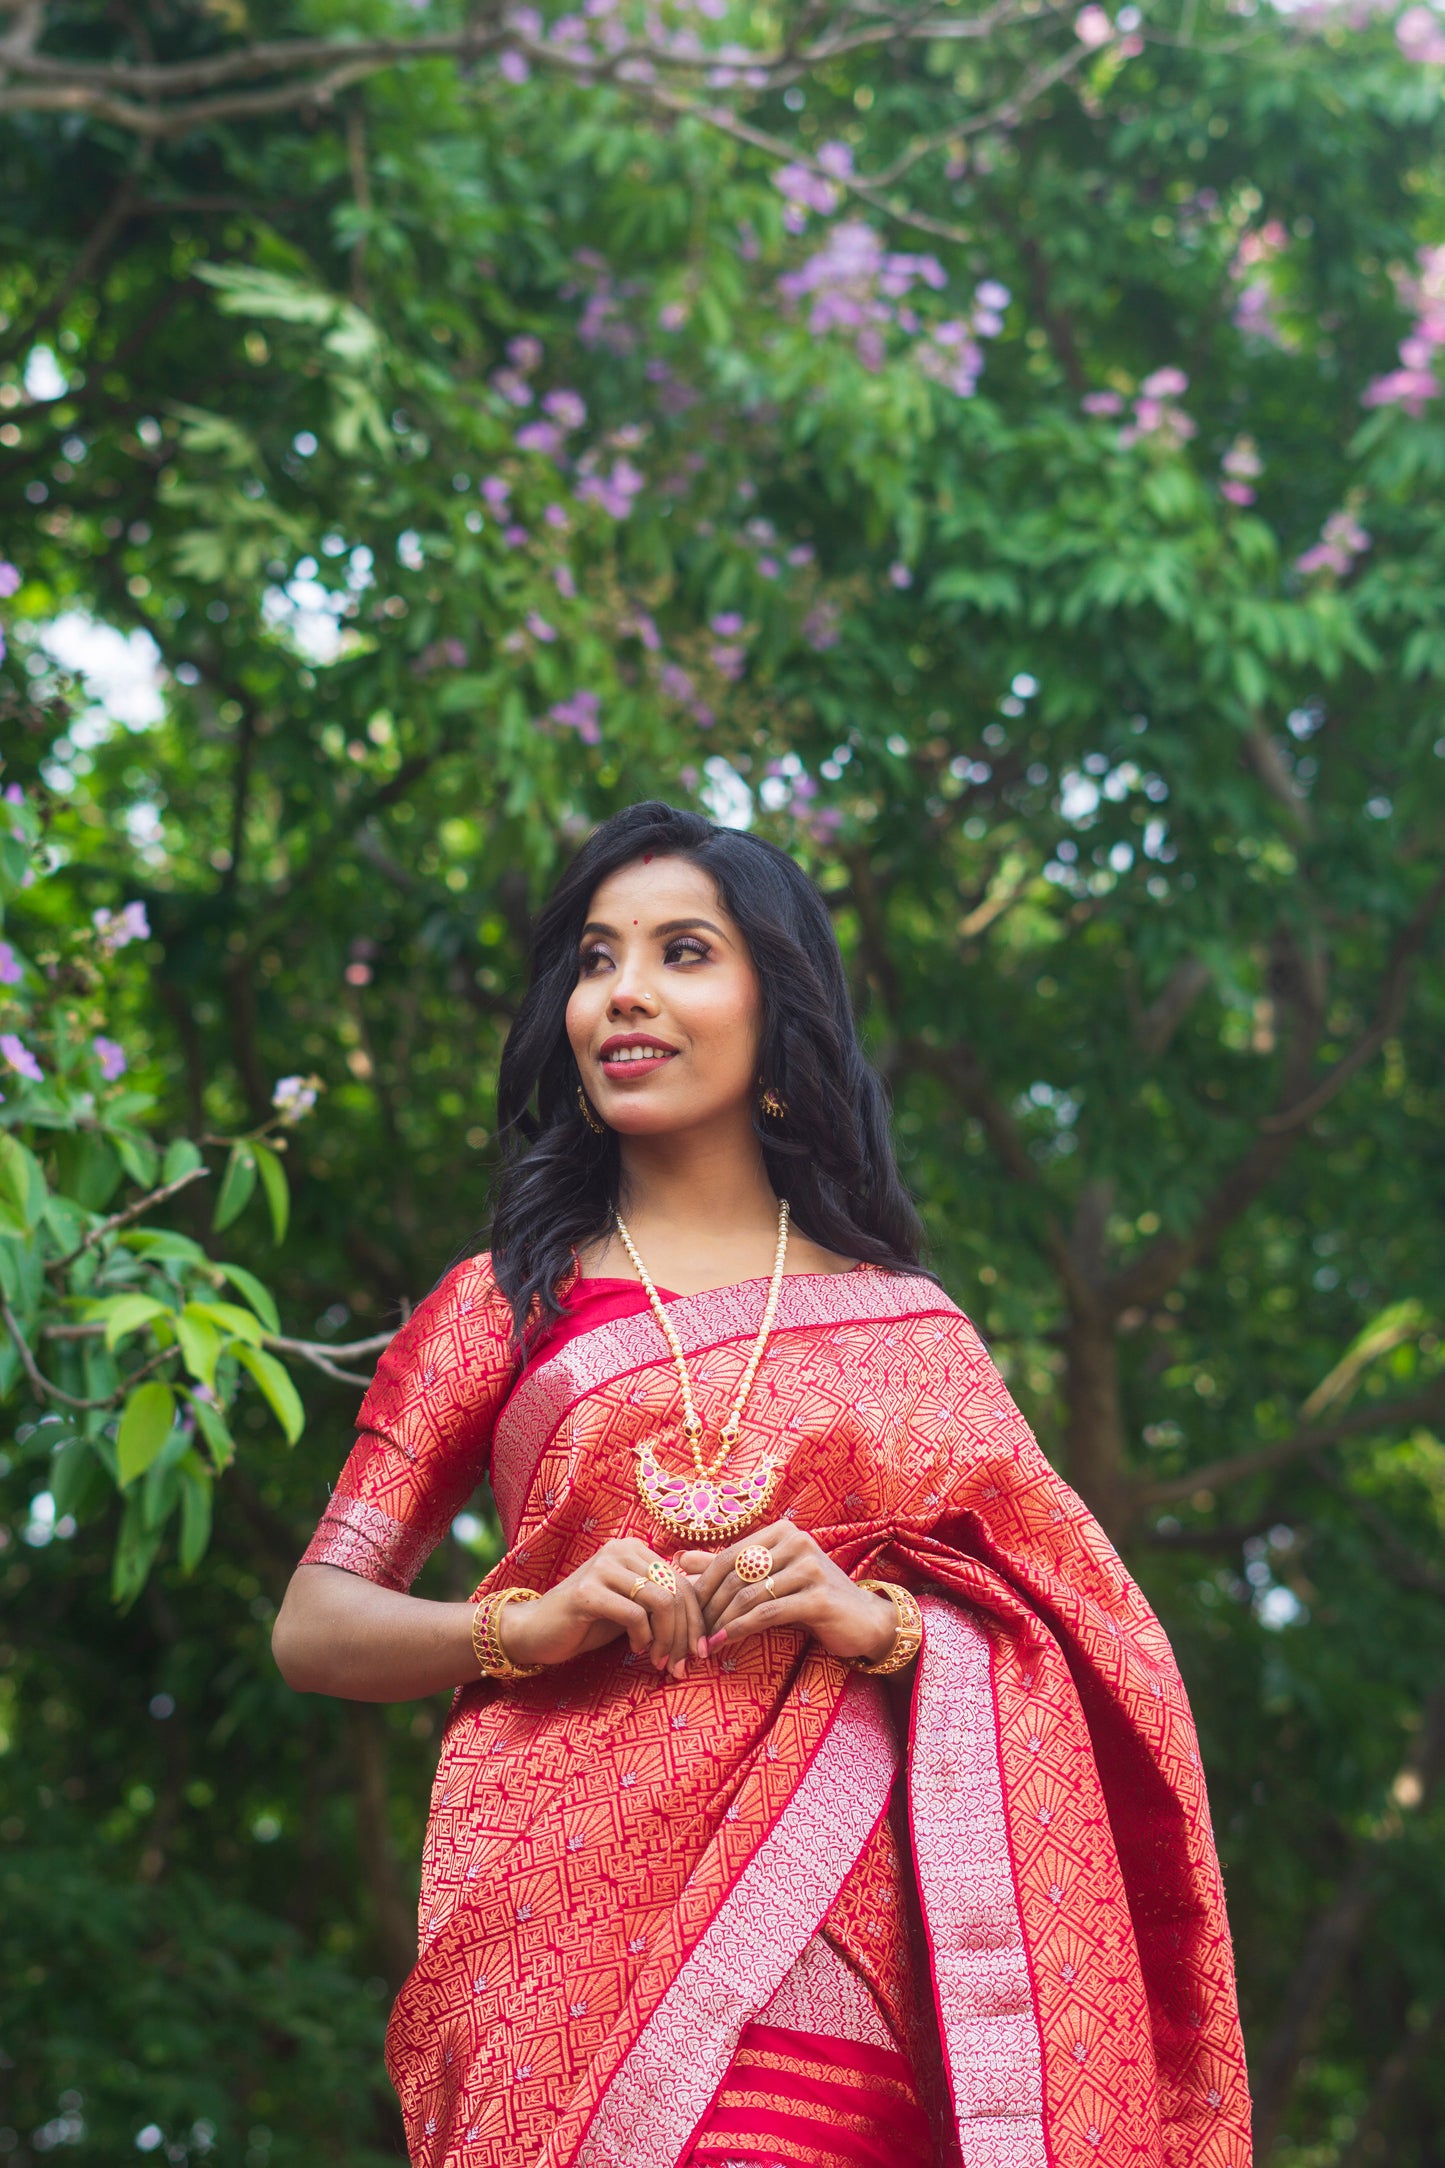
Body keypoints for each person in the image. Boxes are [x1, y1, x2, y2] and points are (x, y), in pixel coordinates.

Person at [273, 800, 1252, 2168]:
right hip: (557, 1943)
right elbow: (314, 1626)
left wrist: (886, 1627)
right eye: (595, 957)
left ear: (775, 1011)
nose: (623, 991)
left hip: (844, 1960)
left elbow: (1096, 1651)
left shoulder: (909, 1330)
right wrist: (523, 1625)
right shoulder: (498, 1312)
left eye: (682, 952)